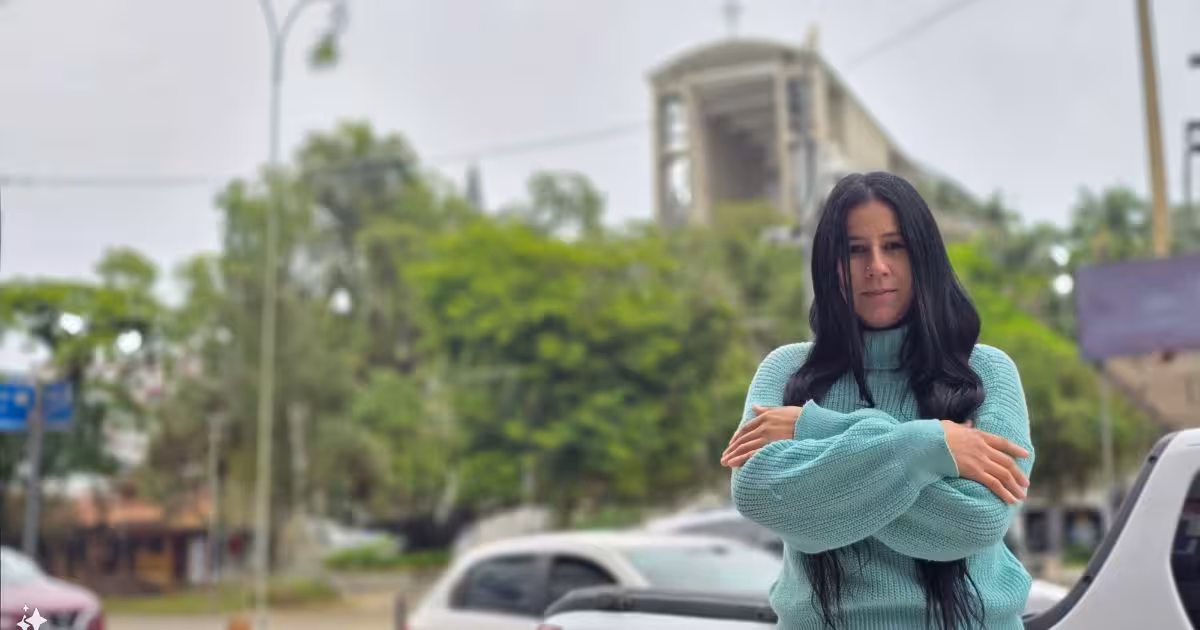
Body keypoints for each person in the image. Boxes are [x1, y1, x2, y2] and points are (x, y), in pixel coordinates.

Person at [720, 171, 1035, 630]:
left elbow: (976, 522)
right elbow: (761, 494)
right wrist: (929, 446)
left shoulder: (986, 372)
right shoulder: (785, 371)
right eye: (854, 250)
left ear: (923, 255)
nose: (876, 267)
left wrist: (815, 431)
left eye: (894, 246)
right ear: (829, 265)